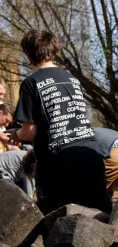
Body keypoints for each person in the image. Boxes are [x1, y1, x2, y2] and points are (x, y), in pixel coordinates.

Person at [4, 29, 111, 214]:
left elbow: (29, 132)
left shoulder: (31, 82)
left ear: (28, 54)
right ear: (54, 50)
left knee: (56, 220)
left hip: (58, 160)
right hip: (91, 154)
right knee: (100, 215)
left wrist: (16, 135)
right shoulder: (71, 78)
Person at [93, 127, 118, 197]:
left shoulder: (80, 135)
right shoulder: (95, 130)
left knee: (96, 189)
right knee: (108, 190)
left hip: (115, 150)